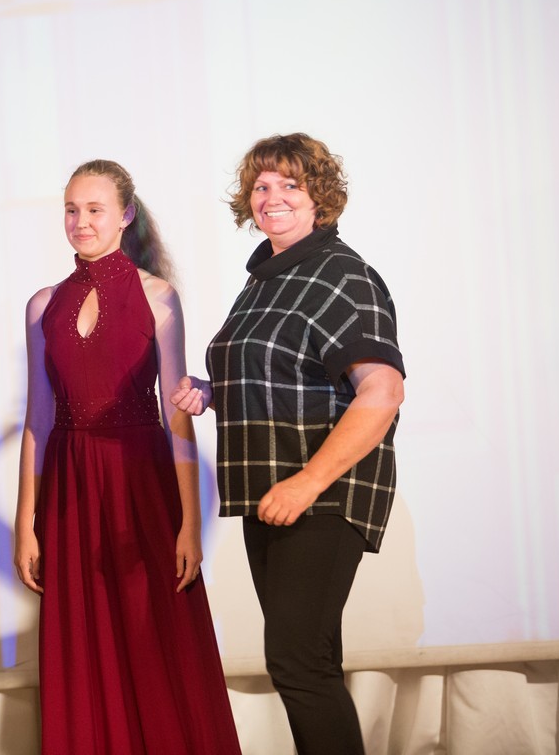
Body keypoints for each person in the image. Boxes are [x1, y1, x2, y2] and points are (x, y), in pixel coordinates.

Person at [171, 133, 405, 755]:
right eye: (261, 186)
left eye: (290, 185)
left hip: (320, 493)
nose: (271, 196)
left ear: (320, 197)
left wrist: (307, 483)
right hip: (270, 493)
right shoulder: (267, 280)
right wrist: (211, 391)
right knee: (308, 663)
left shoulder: (342, 275)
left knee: (298, 663)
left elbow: (381, 391)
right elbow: (286, 372)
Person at [13, 159, 241, 754]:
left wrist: (189, 523)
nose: (81, 222)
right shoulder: (42, 305)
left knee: (156, 639)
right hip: (69, 492)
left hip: (142, 485)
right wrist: (25, 523)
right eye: (71, 210)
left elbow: (177, 414)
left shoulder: (158, 297)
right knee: (84, 646)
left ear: (126, 216)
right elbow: (38, 419)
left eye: (95, 209)